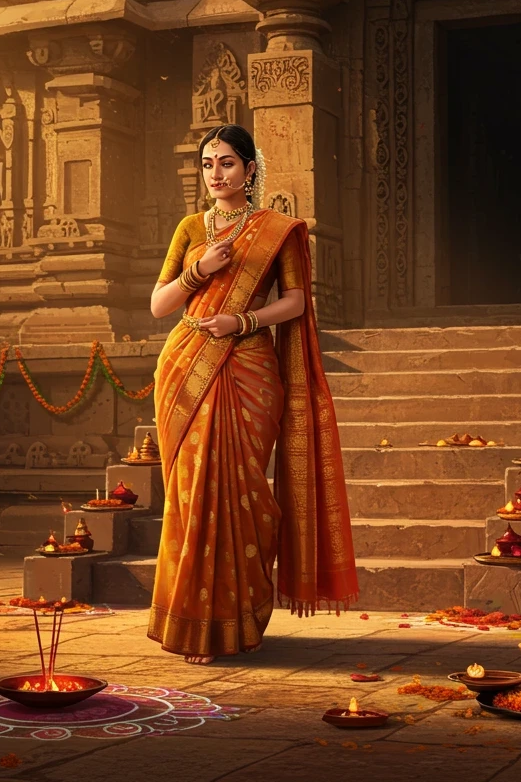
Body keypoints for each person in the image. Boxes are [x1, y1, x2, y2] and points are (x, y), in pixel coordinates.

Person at [146, 124, 358, 664]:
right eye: (208, 165)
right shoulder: (190, 228)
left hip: (249, 365)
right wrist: (199, 270)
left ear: (250, 169)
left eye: (227, 164)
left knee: (245, 494)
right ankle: (194, 623)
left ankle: (241, 616)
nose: (216, 175)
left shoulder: (278, 231)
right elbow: (159, 305)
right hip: (186, 363)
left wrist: (241, 320)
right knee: (192, 497)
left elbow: (296, 304)